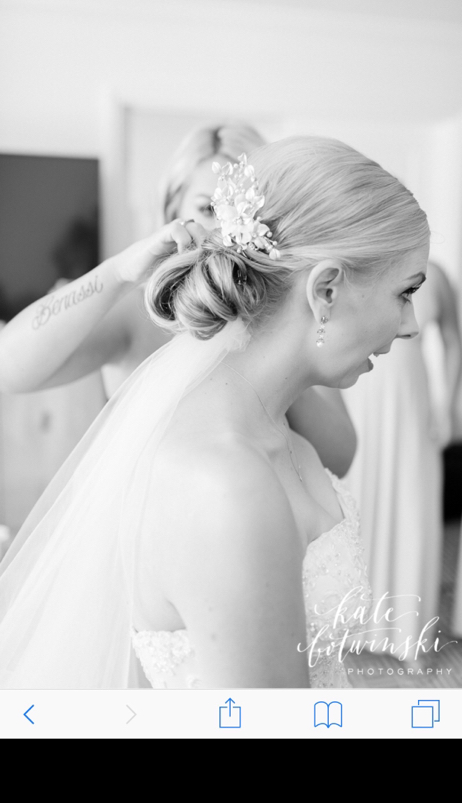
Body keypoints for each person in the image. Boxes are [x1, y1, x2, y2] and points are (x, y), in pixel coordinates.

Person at [0, 136, 430, 689]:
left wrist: (285, 362)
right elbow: (13, 362)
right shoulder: (220, 481)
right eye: (404, 293)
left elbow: (340, 450)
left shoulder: (287, 438)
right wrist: (119, 270)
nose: (412, 324)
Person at [0, 124, 356, 480]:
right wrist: (117, 272)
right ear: (174, 208)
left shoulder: (293, 313)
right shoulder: (139, 313)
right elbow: (9, 366)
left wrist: (277, 349)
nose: (225, 231)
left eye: (243, 213)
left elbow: (339, 458)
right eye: (207, 208)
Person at [342, 261, 462, 656]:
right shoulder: (354, 269)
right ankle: (355, 626)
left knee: (414, 506)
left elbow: (451, 340)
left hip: (413, 403)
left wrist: (446, 408)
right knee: (357, 504)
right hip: (359, 396)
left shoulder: (436, 276)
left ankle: (409, 635)